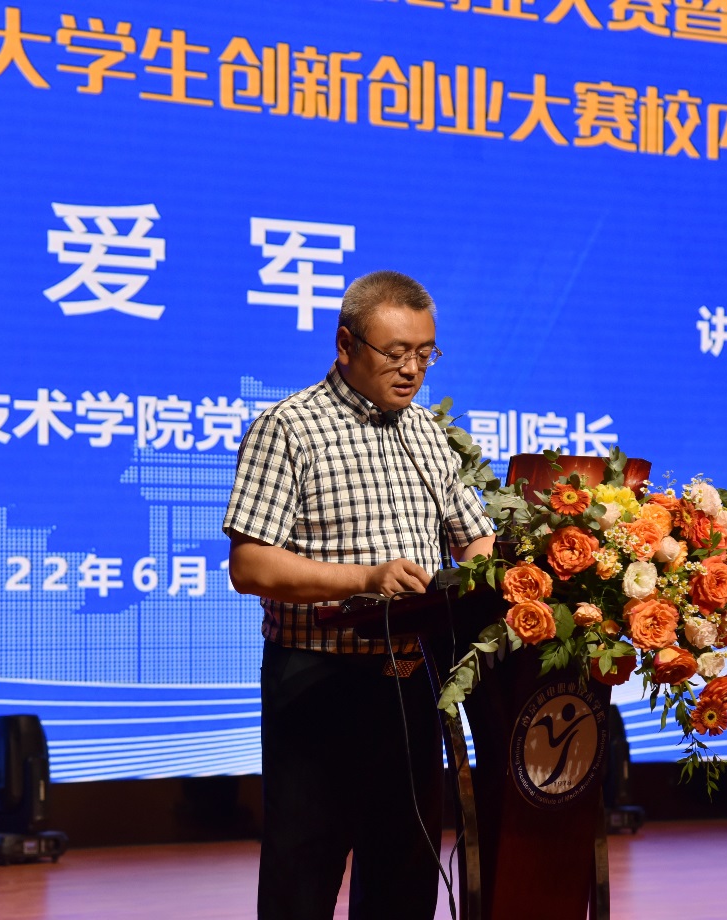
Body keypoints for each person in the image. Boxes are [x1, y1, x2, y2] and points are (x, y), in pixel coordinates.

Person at [223, 270, 495, 920]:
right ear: (345, 344)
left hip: (410, 682)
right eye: (395, 353)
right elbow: (250, 564)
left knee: (404, 876)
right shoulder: (289, 428)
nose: (412, 370)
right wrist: (367, 579)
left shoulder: (428, 433)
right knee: (303, 878)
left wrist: (508, 577)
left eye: (424, 353)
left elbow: (474, 540)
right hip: (318, 684)